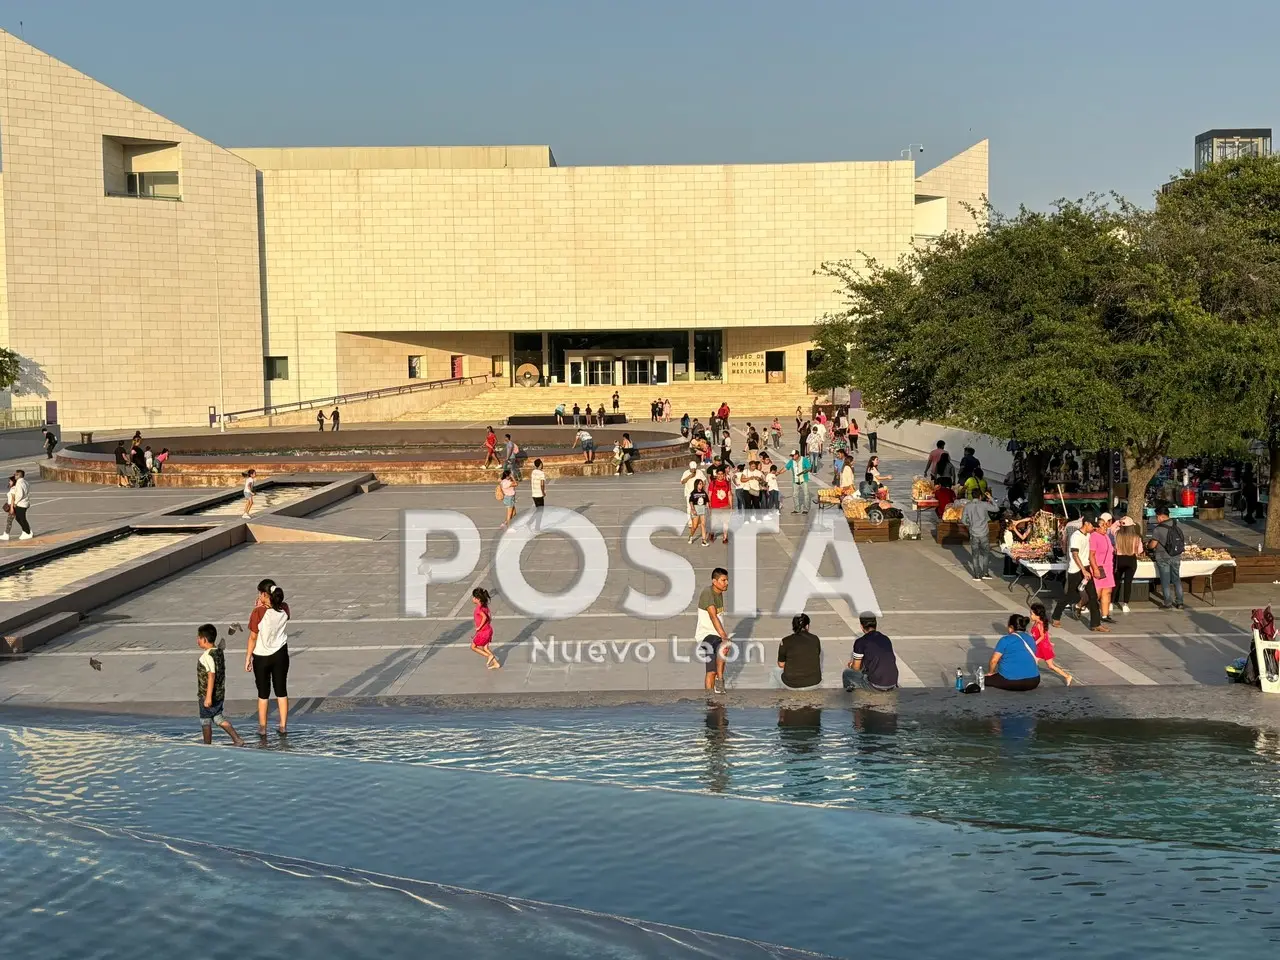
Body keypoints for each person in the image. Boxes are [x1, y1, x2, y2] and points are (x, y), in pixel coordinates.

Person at [245, 584, 291, 735]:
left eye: (260, 594)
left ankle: (263, 728)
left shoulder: (258, 612)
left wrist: (247, 658)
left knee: (263, 694)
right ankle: (283, 726)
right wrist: (264, 605)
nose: (258, 596)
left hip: (261, 656)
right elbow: (278, 608)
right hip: (280, 654)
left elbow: (253, 637)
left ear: (265, 595)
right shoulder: (285, 608)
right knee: (281, 691)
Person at [1052, 514, 1104, 631]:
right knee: (1071, 596)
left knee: (1093, 596)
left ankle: (1095, 624)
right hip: (1076, 569)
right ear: (1086, 523)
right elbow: (1075, 555)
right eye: (1092, 526)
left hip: (1086, 567)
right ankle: (1056, 616)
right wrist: (1083, 570)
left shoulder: (1088, 535)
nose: (1094, 528)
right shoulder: (1076, 536)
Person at [196, 624, 244, 746]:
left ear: (204, 640)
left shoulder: (206, 656)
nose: (197, 640)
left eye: (199, 638)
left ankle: (207, 746)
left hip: (207, 694)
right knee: (218, 718)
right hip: (219, 693)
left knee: (205, 721)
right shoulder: (218, 652)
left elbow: (211, 675)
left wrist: (207, 697)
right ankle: (237, 739)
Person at [696, 567, 731, 694]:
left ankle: (719, 680)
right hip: (706, 635)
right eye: (723, 580)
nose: (726, 583)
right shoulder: (708, 593)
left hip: (715, 635)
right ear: (714, 581)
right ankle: (713, 691)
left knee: (724, 648)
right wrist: (723, 635)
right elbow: (712, 615)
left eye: (727, 580)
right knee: (711, 671)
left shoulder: (718, 593)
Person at [843, 613, 899, 692]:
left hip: (877, 685)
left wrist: (851, 664)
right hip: (893, 682)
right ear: (875, 624)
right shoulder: (885, 639)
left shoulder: (860, 642)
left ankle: (849, 699)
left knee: (847, 674)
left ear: (862, 626)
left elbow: (856, 667)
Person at [985, 614, 1041, 691]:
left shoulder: (1005, 640)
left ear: (1011, 627)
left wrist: (991, 673)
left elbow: (993, 661)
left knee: (982, 679)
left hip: (1011, 681)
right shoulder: (1031, 639)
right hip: (1034, 680)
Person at [1147, 504, 1186, 610]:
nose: (1156, 519)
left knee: (1165, 581)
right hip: (1176, 555)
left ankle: (1168, 603)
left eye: (1157, 516)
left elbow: (1153, 545)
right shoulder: (1176, 524)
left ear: (1160, 516)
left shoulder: (1158, 529)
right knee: (1176, 579)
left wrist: (1148, 545)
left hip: (1163, 557)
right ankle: (1180, 602)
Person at [1029, 602, 1073, 686]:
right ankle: (1029, 677)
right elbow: (1045, 634)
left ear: (1038, 615)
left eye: (1032, 614)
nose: (1030, 616)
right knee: (1033, 661)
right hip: (1040, 647)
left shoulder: (1039, 624)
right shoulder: (1037, 623)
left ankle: (1067, 676)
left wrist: (1035, 643)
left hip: (1043, 648)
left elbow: (1042, 636)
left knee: (1051, 666)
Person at [775, 613, 822, 689]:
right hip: (814, 682)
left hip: (792, 684)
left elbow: (781, 664)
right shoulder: (815, 639)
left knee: (775, 671)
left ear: (793, 626)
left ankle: (774, 698)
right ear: (807, 626)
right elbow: (816, 655)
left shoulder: (786, 641)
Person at [960, 488, 999, 580]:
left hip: (973, 533)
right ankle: (985, 573)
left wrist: (970, 524)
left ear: (972, 496)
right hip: (984, 532)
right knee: (986, 553)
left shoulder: (967, 506)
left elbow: (963, 520)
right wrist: (991, 498)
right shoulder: (984, 505)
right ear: (980, 496)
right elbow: (996, 509)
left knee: (975, 554)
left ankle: (976, 575)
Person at [1090, 513, 1117, 623]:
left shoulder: (1106, 536)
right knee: (1097, 593)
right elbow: (1091, 554)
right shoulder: (1094, 536)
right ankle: (1081, 605)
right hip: (1099, 567)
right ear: (1096, 527)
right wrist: (1095, 568)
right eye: (1102, 526)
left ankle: (1105, 615)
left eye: (1106, 525)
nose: (1105, 527)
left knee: (1108, 591)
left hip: (1108, 567)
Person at [1113, 516, 1142, 613]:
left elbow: (1112, 529)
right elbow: (1139, 550)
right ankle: (1125, 604)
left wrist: (1119, 522)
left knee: (1116, 582)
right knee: (1128, 582)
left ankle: (1110, 603)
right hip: (1131, 559)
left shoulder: (1117, 534)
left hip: (1119, 560)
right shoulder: (1136, 537)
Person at [471, 587, 500, 669]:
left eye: (474, 597)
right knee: (485, 648)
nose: (472, 599)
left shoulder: (478, 609)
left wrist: (479, 627)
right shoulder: (485, 606)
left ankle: (490, 656)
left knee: (473, 647)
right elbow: (489, 617)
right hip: (488, 630)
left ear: (478, 599)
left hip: (483, 632)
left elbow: (484, 617)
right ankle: (496, 663)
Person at [708, 467, 732, 543]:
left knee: (726, 522)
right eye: (719, 474)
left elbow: (729, 494)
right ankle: (712, 532)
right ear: (716, 475)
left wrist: (731, 505)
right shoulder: (713, 483)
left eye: (722, 474)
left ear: (724, 475)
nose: (720, 476)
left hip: (725, 505)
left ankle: (725, 537)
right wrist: (709, 505)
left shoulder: (727, 483)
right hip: (715, 506)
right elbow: (709, 494)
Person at [785, 449, 812, 514]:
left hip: (804, 480)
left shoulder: (804, 459)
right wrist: (778, 473)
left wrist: (805, 471)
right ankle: (796, 509)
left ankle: (806, 509)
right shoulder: (791, 461)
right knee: (795, 495)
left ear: (797, 455)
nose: (792, 457)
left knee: (806, 495)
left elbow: (809, 467)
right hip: (795, 480)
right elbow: (786, 468)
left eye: (793, 456)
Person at [688, 478, 711, 546]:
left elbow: (707, 501)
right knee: (695, 526)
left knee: (703, 525)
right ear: (696, 485)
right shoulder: (693, 492)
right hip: (696, 509)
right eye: (700, 484)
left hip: (703, 510)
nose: (701, 485)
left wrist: (708, 510)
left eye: (702, 484)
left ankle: (704, 541)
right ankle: (691, 536)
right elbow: (691, 501)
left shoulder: (704, 492)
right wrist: (693, 509)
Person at [530, 458, 547, 529]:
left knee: (538, 510)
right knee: (540, 511)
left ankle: (530, 522)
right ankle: (537, 527)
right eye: (541, 463)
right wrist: (543, 492)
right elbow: (542, 484)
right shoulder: (541, 473)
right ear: (540, 464)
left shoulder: (533, 472)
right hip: (539, 494)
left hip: (534, 494)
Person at [1, 475, 16, 541]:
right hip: (12, 505)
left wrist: (12, 508)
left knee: (9, 521)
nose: (9, 482)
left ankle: (6, 534)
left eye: (10, 481)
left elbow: (13, 498)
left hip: (12, 506)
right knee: (20, 520)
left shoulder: (13, 489)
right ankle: (28, 531)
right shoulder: (13, 488)